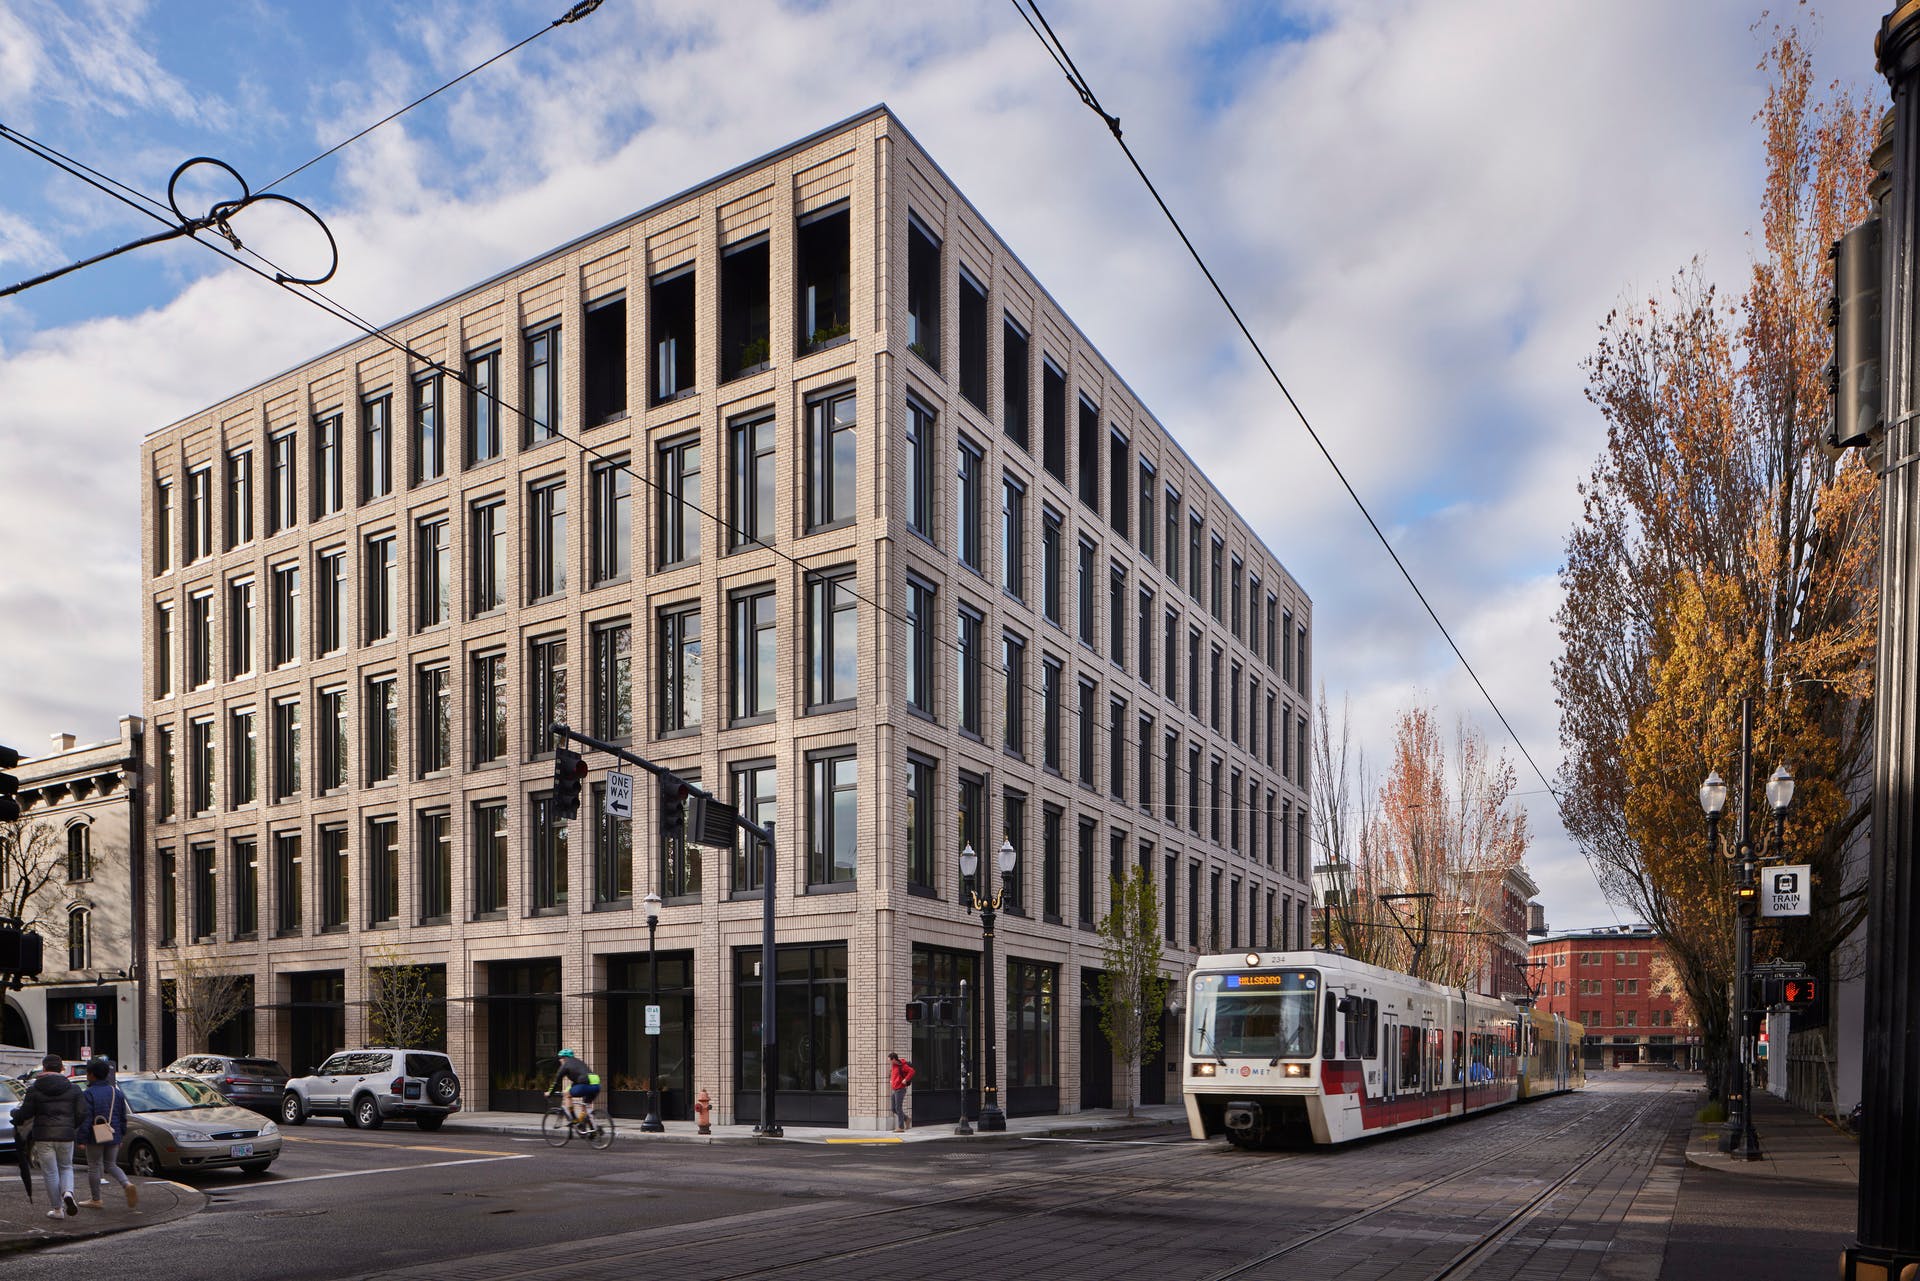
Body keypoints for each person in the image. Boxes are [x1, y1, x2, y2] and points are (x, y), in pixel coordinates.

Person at [10, 1054, 81, 1220]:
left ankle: (57, 1210)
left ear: (44, 1068)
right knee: (66, 1166)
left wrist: (15, 1114)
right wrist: (71, 1125)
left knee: (50, 1172)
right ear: (61, 1069)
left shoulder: (34, 1089)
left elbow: (25, 1114)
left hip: (43, 1136)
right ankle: (68, 1193)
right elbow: (82, 1112)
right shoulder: (74, 1089)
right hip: (66, 1134)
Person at [75, 1058, 136, 1210]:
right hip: (113, 1132)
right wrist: (121, 1135)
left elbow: (86, 1118)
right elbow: (123, 1117)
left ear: (91, 1075)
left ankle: (96, 1200)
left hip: (94, 1134)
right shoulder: (116, 1092)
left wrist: (81, 1139)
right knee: (111, 1164)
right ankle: (127, 1184)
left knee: (94, 1166)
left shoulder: (88, 1093)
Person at [550, 1049, 600, 1130]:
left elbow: (556, 1081)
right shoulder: (579, 1062)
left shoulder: (565, 1064)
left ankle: (574, 1119)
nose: (559, 1060)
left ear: (564, 1058)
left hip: (585, 1084)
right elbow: (576, 1082)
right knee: (586, 1107)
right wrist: (568, 1089)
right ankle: (593, 1129)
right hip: (596, 1085)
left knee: (567, 1095)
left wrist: (550, 1093)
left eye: (560, 1058)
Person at [888, 1051, 914, 1133]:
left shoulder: (902, 1066)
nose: (889, 1062)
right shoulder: (893, 1065)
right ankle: (907, 1119)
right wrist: (891, 1080)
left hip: (901, 1089)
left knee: (898, 1108)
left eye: (890, 1060)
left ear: (894, 1059)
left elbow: (912, 1071)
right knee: (893, 1108)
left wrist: (905, 1079)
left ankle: (901, 1127)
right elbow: (892, 1073)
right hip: (895, 1089)